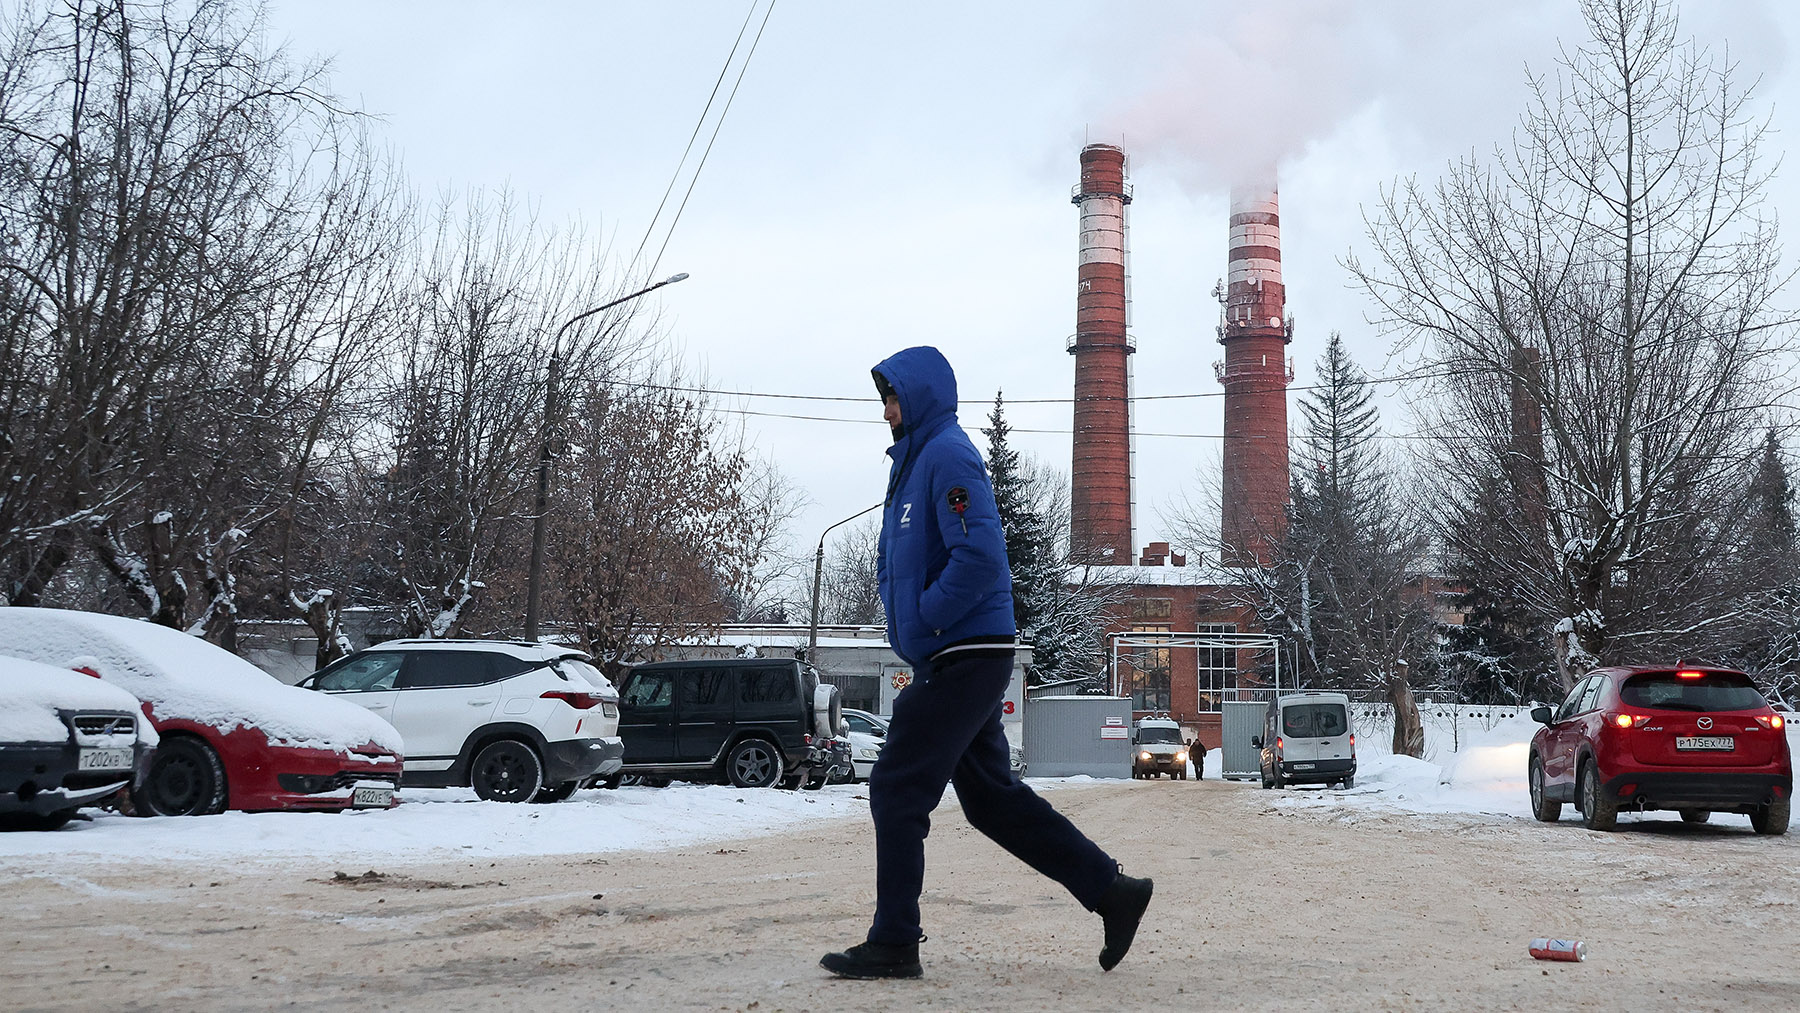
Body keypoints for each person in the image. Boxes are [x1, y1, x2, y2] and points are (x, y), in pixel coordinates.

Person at [820, 345, 1154, 980]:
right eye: (884, 400)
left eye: (892, 398)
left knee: (896, 787)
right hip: (953, 652)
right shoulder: (918, 462)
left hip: (965, 652)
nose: (886, 412)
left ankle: (894, 941)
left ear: (916, 397)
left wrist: (925, 615)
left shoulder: (947, 454)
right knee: (992, 801)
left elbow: (980, 557)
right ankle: (1114, 894)